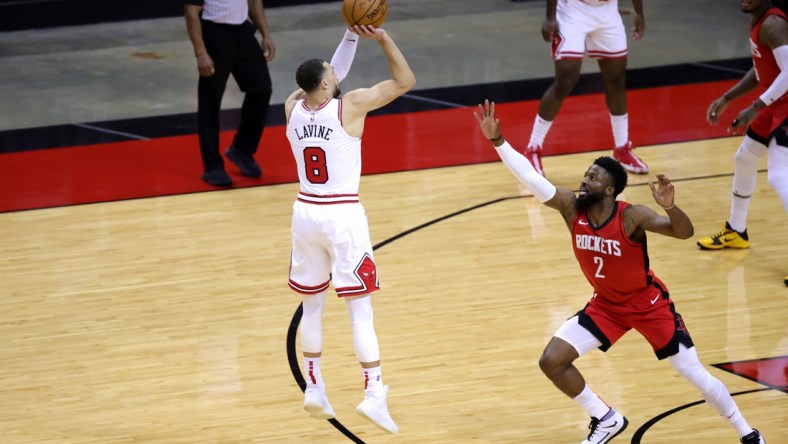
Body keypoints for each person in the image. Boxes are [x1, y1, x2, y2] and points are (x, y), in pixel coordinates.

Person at [474, 100, 766, 444]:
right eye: (586, 174)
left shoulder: (631, 216)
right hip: (607, 305)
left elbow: (683, 233)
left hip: (648, 304)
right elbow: (530, 176)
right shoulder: (571, 207)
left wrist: (670, 207)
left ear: (610, 190)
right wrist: (499, 142)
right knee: (552, 360)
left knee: (693, 373)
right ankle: (606, 418)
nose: (585, 180)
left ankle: (748, 434)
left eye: (593, 177)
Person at [284, 25, 415, 435]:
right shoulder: (349, 106)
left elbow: (328, 73)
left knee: (312, 306)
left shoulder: (292, 106)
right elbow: (405, 81)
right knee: (360, 310)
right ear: (327, 84)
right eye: (332, 74)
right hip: (342, 216)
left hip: (305, 212)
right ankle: (374, 393)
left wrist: (350, 34)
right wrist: (383, 38)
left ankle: (315, 385)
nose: (337, 74)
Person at [695, 0, 788, 286]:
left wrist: (755, 107)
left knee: (778, 176)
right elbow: (761, 69)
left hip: (784, 106)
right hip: (774, 104)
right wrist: (728, 97)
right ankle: (737, 231)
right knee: (744, 158)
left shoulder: (773, 24)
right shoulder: (757, 19)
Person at [524, 0, 649, 177]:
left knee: (616, 79)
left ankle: (622, 148)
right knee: (566, 79)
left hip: (607, 11)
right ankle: (532, 149)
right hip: (573, 9)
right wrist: (550, 17)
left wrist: (639, 13)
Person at [184, 0, 275, 187]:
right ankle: (213, 167)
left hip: (242, 32)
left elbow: (254, 2)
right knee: (210, 102)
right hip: (214, 34)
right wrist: (201, 53)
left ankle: (242, 149)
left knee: (261, 89)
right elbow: (191, 12)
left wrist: (265, 34)